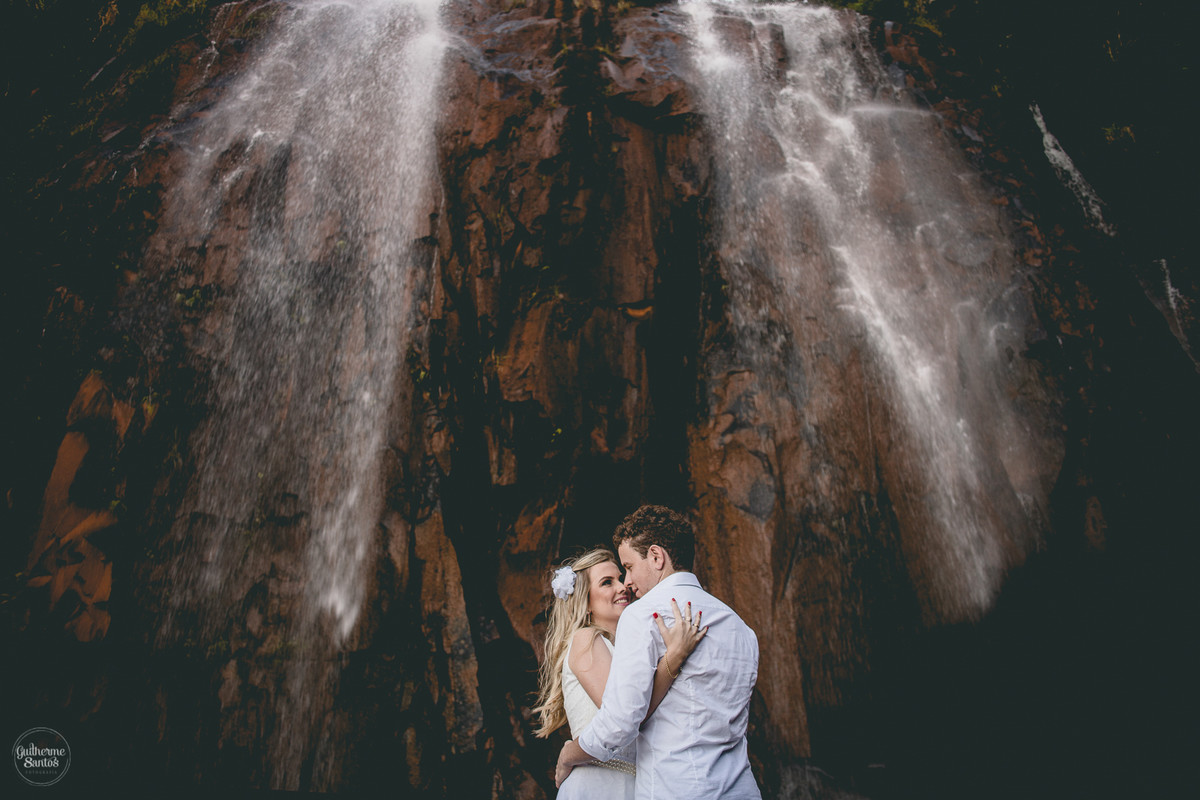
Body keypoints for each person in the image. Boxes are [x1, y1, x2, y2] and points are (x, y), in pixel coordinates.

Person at [556, 505, 762, 799]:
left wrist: (569, 754)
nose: (627, 583)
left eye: (627, 567)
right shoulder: (741, 628)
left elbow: (620, 721)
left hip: (677, 789)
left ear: (656, 556)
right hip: (742, 789)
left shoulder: (643, 615)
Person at [534, 547, 706, 798]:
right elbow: (626, 714)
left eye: (620, 577)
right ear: (586, 602)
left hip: (633, 784)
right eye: (607, 582)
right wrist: (674, 658)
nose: (622, 586)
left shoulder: (627, 647)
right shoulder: (586, 638)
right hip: (598, 784)